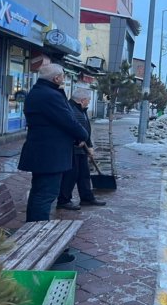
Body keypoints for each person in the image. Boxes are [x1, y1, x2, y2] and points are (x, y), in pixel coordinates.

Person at [17, 64, 88, 222]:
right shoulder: (51, 95)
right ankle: (37, 232)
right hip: (50, 154)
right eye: (63, 75)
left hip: (43, 152)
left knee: (39, 192)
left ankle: (34, 228)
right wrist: (83, 135)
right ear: (56, 78)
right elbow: (68, 121)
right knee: (45, 194)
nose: (63, 78)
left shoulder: (39, 92)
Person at [57, 89, 106, 210]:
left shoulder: (80, 109)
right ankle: (63, 200)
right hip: (73, 149)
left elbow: (85, 129)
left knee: (84, 174)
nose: (89, 102)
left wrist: (89, 146)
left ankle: (86, 197)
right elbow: (71, 128)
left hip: (81, 149)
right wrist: (78, 140)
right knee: (71, 175)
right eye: (88, 100)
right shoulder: (71, 110)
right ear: (82, 100)